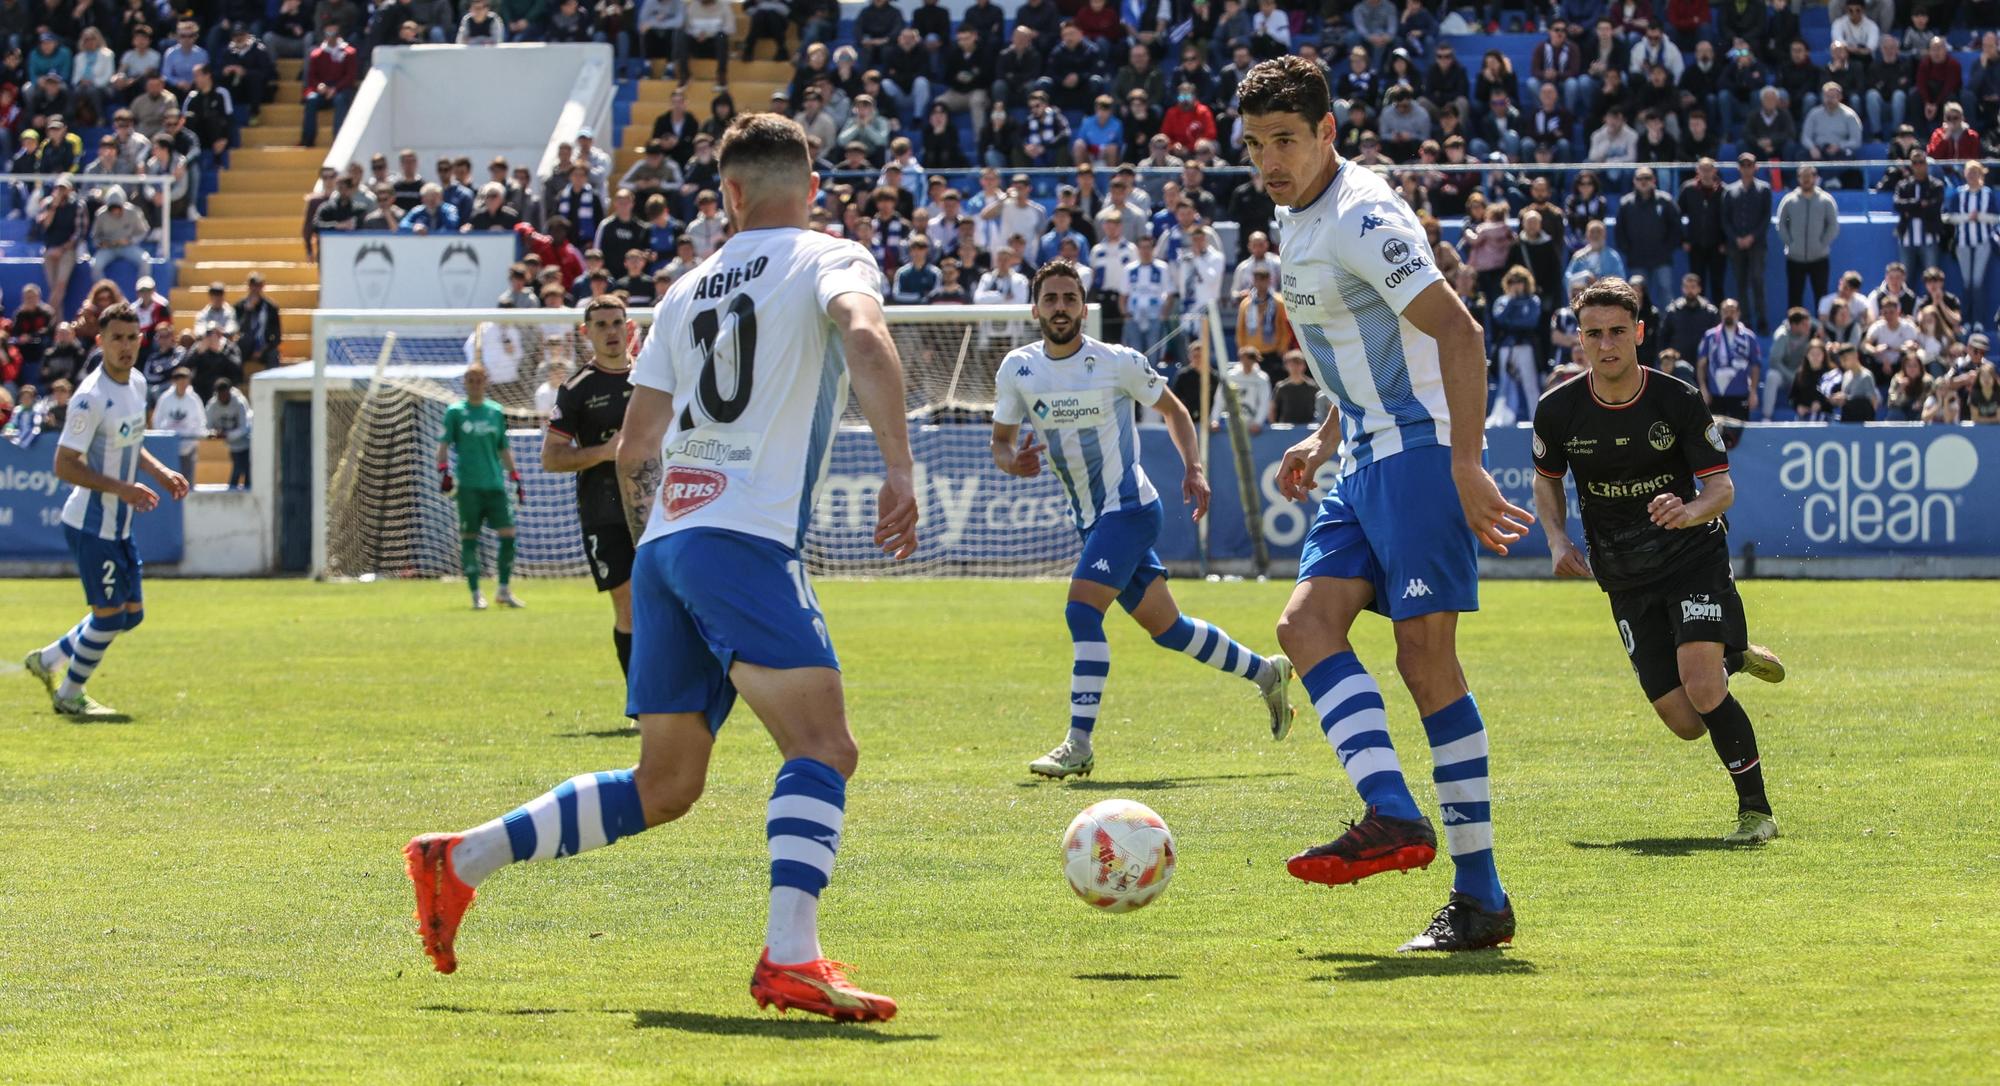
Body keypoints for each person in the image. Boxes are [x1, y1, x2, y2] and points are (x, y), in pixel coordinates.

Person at [402, 112, 917, 1023]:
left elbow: (638, 444)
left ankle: (460, 859)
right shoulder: (831, 256)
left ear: (726, 196)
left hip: (672, 542)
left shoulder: (684, 291)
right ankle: (790, 958)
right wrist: (898, 466)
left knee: (667, 784)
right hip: (744, 540)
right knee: (824, 746)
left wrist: (662, 552)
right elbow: (866, 337)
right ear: (812, 184)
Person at [1238, 57, 1532, 953]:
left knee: (1425, 660)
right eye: (1255, 146)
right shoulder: (1296, 219)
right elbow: (1367, 338)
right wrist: (1326, 436)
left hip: (1420, 452)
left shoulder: (1364, 213)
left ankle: (1480, 896)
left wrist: (1470, 463)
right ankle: (1394, 812)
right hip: (1363, 455)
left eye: (1286, 140)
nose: (1270, 160)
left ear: (1329, 132)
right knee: (1304, 627)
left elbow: (1457, 330)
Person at [990, 261, 1292, 780]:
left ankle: (1078, 743)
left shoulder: (1118, 361)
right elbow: (1000, 441)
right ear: (1036, 308)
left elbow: (1176, 411)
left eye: (1069, 298)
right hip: (1091, 519)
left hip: (1129, 510)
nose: (1060, 307)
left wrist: (1193, 469)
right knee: (1169, 630)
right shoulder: (1017, 368)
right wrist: (1011, 460)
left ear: (1084, 308)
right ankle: (1267, 673)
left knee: (1082, 612)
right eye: (1051, 299)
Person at [1530, 278, 1784, 846]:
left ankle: (1756, 812)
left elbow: (1721, 490)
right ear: (1580, 340)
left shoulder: (1676, 399)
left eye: (1618, 331)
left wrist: (1689, 510)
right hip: (1623, 573)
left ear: (1639, 333)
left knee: (1701, 686)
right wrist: (1555, 539)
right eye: (1594, 333)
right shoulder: (1558, 410)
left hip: (1692, 556)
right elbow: (1546, 483)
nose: (1607, 344)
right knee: (1686, 722)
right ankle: (1734, 657)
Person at [21, 303, 189, 718]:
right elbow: (64, 465)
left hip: (119, 524)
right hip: (91, 524)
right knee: (110, 615)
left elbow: (131, 442)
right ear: (100, 341)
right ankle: (69, 694)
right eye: (117, 338)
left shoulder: (135, 382)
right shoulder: (89, 399)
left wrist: (162, 472)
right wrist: (123, 488)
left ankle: (48, 660)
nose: (126, 346)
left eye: (133, 338)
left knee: (130, 615)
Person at [541, 296, 637, 686]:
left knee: (672, 603)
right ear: (586, 333)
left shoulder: (654, 377)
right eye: (601, 325)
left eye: (617, 323)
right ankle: (644, 704)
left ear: (630, 328)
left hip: (659, 507)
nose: (611, 332)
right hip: (605, 511)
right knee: (628, 603)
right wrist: (603, 452)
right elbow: (551, 458)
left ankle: (679, 696)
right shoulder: (578, 388)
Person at [436, 362, 524, 610]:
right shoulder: (455, 412)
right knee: (469, 537)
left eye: (479, 380)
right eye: (470, 380)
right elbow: (443, 446)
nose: (475, 385)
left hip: (494, 483)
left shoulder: (495, 412)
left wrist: (515, 476)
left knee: (508, 534)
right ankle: (475, 593)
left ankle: (504, 590)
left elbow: (502, 448)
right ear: (464, 383)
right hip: (468, 486)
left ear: (486, 382)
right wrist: (443, 472)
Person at [1775, 163, 1839, 313]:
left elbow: (1833, 226)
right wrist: (1791, 244)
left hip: (1819, 258)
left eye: (1809, 176)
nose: (1806, 179)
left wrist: (1822, 244)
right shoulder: (1789, 200)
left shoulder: (1826, 200)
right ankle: (1794, 331)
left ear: (1815, 178)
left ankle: (1822, 332)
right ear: (1798, 178)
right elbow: (1781, 224)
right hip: (1794, 259)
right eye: (1803, 176)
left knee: (1821, 297)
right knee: (1794, 297)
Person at [1945, 160, 2000, 333]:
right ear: (1964, 175)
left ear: (1980, 175)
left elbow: (1995, 218)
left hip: (1983, 241)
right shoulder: (1959, 194)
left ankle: (1978, 320)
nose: (1972, 176)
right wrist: (1968, 217)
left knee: (1977, 282)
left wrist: (1980, 217)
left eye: (1975, 173)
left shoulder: (1987, 193)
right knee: (1967, 282)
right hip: (1963, 242)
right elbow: (1948, 217)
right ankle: (1966, 320)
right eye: (1969, 173)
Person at [1696, 298, 1762, 420]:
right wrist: (1703, 388)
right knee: (1715, 434)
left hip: (1740, 393)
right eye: (1725, 311)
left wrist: (1753, 391)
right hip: (1715, 394)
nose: (1729, 314)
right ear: (1721, 313)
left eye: (1732, 311)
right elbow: (1701, 364)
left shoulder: (1748, 337)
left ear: (1738, 313)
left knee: (1739, 435)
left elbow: (1755, 366)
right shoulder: (1710, 336)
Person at [151, 365, 205, 477]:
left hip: (188, 446)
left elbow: (201, 421)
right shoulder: (165, 398)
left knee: (188, 479)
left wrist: (193, 440)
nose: (183, 385)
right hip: (169, 446)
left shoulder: (194, 399)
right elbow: (157, 419)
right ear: (174, 382)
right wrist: (164, 438)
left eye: (185, 381)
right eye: (180, 381)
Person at [206, 378, 251, 488]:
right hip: (229, 445)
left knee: (246, 473)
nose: (223, 398)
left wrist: (227, 434)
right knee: (237, 471)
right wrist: (214, 433)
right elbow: (207, 426)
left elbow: (245, 428)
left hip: (245, 443)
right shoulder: (212, 405)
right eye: (220, 395)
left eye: (225, 394)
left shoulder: (239, 403)